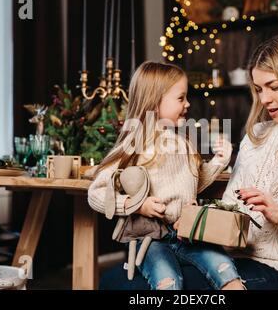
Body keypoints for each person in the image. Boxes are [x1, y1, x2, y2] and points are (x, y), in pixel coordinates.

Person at [99, 34, 278, 290]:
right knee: (114, 279)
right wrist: (198, 218)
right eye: (258, 89)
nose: (264, 99)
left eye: (273, 87)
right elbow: (232, 209)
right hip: (232, 257)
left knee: (135, 287)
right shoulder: (257, 137)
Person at [88, 61, 244, 290]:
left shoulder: (183, 142)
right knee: (167, 281)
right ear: (154, 102)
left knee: (227, 271)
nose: (188, 104)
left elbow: (194, 182)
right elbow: (96, 193)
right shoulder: (134, 144)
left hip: (188, 232)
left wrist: (220, 161)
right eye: (181, 98)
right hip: (151, 240)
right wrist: (137, 205)